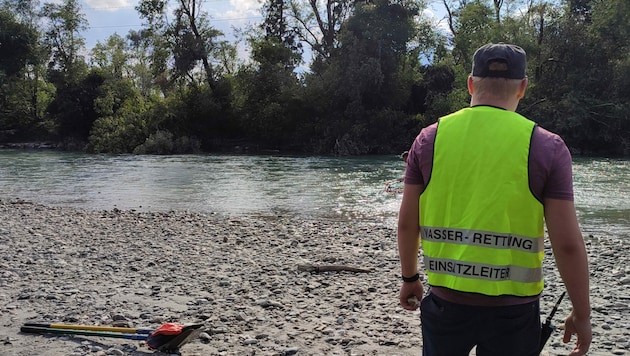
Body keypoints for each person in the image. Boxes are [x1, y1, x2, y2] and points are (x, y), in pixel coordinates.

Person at [397, 43, 591, 356]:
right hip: (514, 313)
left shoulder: (429, 138)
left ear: (471, 83)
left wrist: (410, 278)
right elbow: (567, 244)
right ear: (523, 88)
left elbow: (407, 223)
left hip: (446, 302)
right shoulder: (547, 146)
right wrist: (582, 314)